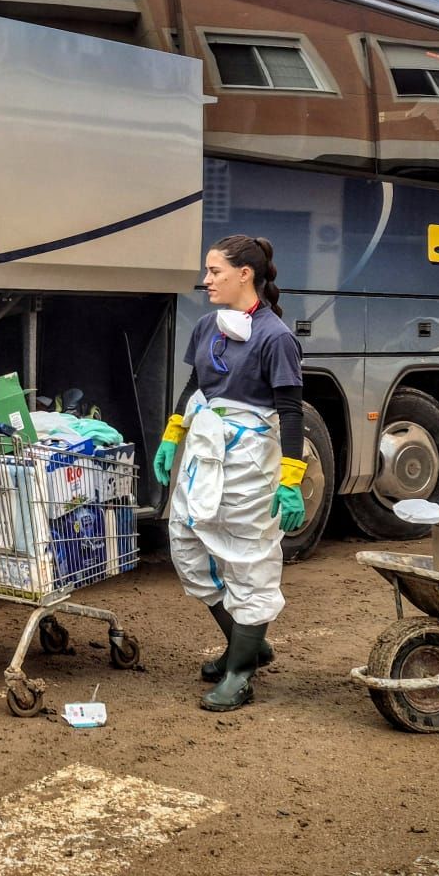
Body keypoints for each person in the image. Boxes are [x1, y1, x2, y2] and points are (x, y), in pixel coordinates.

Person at [152, 235, 306, 712]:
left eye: (215, 271)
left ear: (245, 274)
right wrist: (172, 433)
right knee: (188, 545)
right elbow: (196, 385)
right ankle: (250, 643)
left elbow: (292, 412)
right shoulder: (206, 326)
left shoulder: (276, 337)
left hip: (250, 460)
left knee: (248, 559)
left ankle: (240, 671)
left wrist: (291, 479)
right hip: (205, 452)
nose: (206, 280)